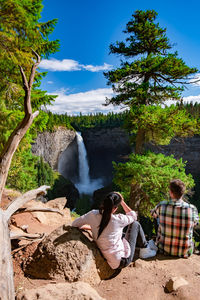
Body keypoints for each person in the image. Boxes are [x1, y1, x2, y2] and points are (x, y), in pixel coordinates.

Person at [72, 192, 156, 270]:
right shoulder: (118, 219)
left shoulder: (92, 214)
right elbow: (133, 216)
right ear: (115, 208)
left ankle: (146, 245)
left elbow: (74, 223)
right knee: (135, 224)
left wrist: (91, 227)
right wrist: (122, 201)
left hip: (108, 257)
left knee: (122, 233)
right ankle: (145, 249)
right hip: (121, 261)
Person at [151, 179, 199, 258]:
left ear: (170, 192)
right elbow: (195, 223)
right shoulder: (192, 208)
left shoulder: (162, 205)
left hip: (163, 249)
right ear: (183, 193)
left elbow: (152, 214)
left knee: (158, 218)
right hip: (185, 252)